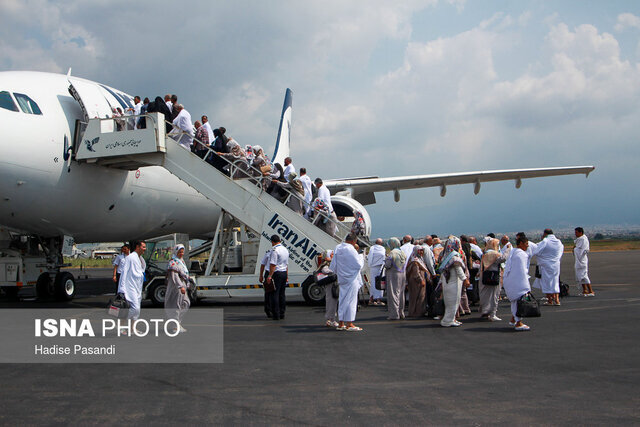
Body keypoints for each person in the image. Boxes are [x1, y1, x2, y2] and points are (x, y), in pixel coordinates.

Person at [330, 233, 364, 331]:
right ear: (354, 241)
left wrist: (340, 273)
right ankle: (349, 324)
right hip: (351, 278)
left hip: (342, 277)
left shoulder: (338, 247)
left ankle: (341, 323)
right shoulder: (351, 249)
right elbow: (358, 265)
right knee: (351, 301)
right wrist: (360, 256)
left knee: (342, 300)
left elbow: (333, 265)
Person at [437, 236, 470, 327]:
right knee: (452, 302)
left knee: (453, 302)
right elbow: (459, 270)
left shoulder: (445, 255)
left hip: (448, 282)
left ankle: (451, 319)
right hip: (453, 282)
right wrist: (465, 279)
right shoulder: (454, 256)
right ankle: (447, 320)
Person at [503, 235, 533, 331]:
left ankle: (513, 319)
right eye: (526, 244)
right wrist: (526, 285)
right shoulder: (521, 254)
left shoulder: (513, 251)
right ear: (520, 243)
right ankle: (518, 323)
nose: (527, 246)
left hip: (509, 280)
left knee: (515, 301)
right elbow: (522, 271)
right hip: (518, 281)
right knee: (519, 301)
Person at [532, 228, 564, 306]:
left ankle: (550, 300)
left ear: (545, 234)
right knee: (555, 281)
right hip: (556, 264)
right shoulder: (559, 242)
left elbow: (536, 251)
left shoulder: (545, 241)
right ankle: (557, 299)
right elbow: (560, 253)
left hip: (546, 265)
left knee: (546, 282)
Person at [117, 240, 147, 320]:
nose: (145, 249)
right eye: (143, 247)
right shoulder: (130, 257)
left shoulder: (140, 258)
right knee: (135, 308)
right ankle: (121, 323)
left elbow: (142, 271)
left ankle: (132, 329)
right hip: (130, 287)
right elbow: (124, 273)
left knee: (137, 311)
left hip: (138, 287)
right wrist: (121, 289)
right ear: (137, 247)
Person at [478, 238, 506, 321]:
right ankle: (492, 314)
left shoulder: (485, 253)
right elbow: (503, 259)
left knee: (485, 295)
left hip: (484, 277)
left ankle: (485, 311)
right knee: (494, 296)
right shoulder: (495, 254)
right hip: (493, 277)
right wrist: (508, 250)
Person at [164, 244, 190, 332]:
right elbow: (174, 276)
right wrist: (180, 286)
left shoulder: (181, 261)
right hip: (176, 286)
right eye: (179, 252)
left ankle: (177, 322)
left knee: (186, 303)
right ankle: (175, 326)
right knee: (176, 305)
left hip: (183, 285)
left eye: (182, 252)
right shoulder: (173, 262)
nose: (181, 253)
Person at [266, 235, 289, 320]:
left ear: (272, 242)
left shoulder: (274, 250)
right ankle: (282, 312)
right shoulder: (285, 249)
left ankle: (276, 314)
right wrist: (287, 275)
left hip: (277, 273)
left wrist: (269, 276)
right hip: (284, 273)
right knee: (282, 294)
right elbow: (286, 265)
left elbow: (273, 264)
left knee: (275, 293)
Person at [384, 237, 407, 320]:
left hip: (393, 274)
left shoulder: (392, 253)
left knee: (393, 294)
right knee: (401, 294)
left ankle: (394, 314)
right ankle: (401, 312)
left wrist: (385, 260)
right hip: (402, 274)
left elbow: (388, 265)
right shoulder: (402, 252)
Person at [317, 250, 338, 327]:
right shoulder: (326, 264)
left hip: (333, 285)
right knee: (331, 302)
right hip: (330, 285)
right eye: (331, 254)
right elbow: (325, 270)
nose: (333, 256)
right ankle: (330, 319)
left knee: (332, 301)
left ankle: (330, 319)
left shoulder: (330, 263)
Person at [406, 246, 428, 318]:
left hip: (417, 280)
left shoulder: (419, 258)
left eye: (422, 250)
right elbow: (416, 273)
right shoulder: (415, 260)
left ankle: (418, 311)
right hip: (416, 281)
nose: (421, 252)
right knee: (417, 296)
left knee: (418, 296)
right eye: (420, 251)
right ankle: (416, 312)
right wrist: (421, 280)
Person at [574, 227, 594, 296]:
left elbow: (582, 250)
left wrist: (574, 249)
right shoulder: (580, 239)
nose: (575, 234)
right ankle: (585, 290)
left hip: (582, 260)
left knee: (584, 276)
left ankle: (591, 291)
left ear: (580, 232)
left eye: (576, 232)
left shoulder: (583, 239)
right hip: (579, 260)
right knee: (580, 276)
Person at [367, 238, 386, 306]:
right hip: (380, 267)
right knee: (380, 283)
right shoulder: (383, 249)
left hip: (373, 267)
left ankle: (372, 299)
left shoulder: (372, 248)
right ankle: (377, 299)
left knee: (373, 282)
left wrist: (370, 265)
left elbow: (369, 257)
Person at [258, 247, 273, 318]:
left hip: (271, 273)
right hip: (270, 273)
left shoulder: (270, 252)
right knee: (269, 293)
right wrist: (261, 275)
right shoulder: (269, 252)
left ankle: (271, 310)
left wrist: (261, 275)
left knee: (271, 293)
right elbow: (263, 264)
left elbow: (262, 264)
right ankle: (268, 310)